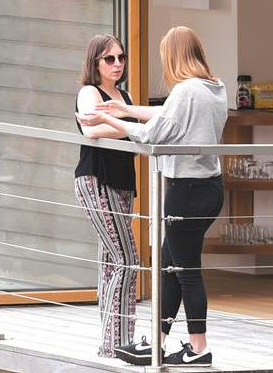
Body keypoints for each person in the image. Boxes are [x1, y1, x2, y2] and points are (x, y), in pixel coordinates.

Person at [78, 26, 227, 367]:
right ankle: (157, 343)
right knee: (170, 266)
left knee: (186, 270)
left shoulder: (186, 90)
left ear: (173, 56)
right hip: (210, 187)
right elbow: (167, 118)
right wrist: (124, 111)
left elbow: (150, 137)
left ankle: (198, 348)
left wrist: (108, 118)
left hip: (185, 191)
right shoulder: (214, 87)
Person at [72, 34, 140, 359]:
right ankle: (113, 344)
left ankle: (116, 342)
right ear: (95, 62)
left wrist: (118, 121)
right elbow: (90, 130)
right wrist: (130, 126)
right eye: (109, 59)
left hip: (123, 183)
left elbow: (124, 130)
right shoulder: (90, 92)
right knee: (127, 260)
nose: (117, 64)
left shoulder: (123, 96)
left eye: (121, 58)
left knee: (111, 262)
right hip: (97, 181)